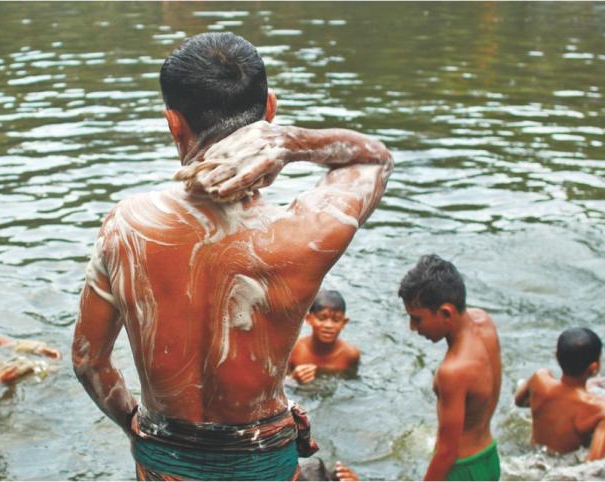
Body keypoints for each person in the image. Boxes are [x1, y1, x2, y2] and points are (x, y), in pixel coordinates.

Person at [72, 31, 392, 480]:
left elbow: (89, 362)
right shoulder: (304, 232)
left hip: (162, 467)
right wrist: (290, 143)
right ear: (271, 111)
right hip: (266, 461)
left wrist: (138, 429)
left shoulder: (124, 228)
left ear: (173, 123)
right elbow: (374, 160)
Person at [398, 254, 502, 481]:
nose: (413, 328)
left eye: (417, 319)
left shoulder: (453, 371)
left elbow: (447, 452)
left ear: (446, 313)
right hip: (489, 457)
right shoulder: (484, 321)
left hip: (461, 470)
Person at [514, 327, 605, 460]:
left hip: (530, 458)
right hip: (564, 471)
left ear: (556, 356)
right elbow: (594, 461)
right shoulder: (598, 410)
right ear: (594, 367)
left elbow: (519, 402)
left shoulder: (539, 379)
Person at [289, 290, 360, 383]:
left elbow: (352, 384)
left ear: (344, 323)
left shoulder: (350, 355)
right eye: (322, 318)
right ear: (308, 319)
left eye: (336, 320)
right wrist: (292, 380)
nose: (328, 325)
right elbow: (275, 387)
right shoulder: (293, 351)